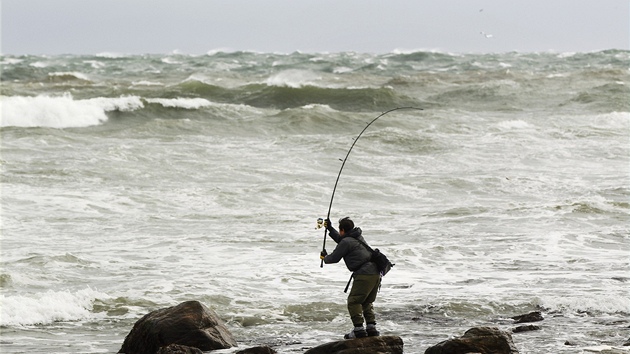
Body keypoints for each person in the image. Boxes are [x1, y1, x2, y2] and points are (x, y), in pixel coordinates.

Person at [320, 217, 381, 339]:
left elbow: (334, 258)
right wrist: (330, 229)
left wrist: (324, 258)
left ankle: (358, 330)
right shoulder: (357, 236)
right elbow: (342, 241)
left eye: (339, 230)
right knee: (367, 301)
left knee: (354, 301)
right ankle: (371, 328)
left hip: (364, 274)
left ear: (342, 230)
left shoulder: (347, 241)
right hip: (375, 272)